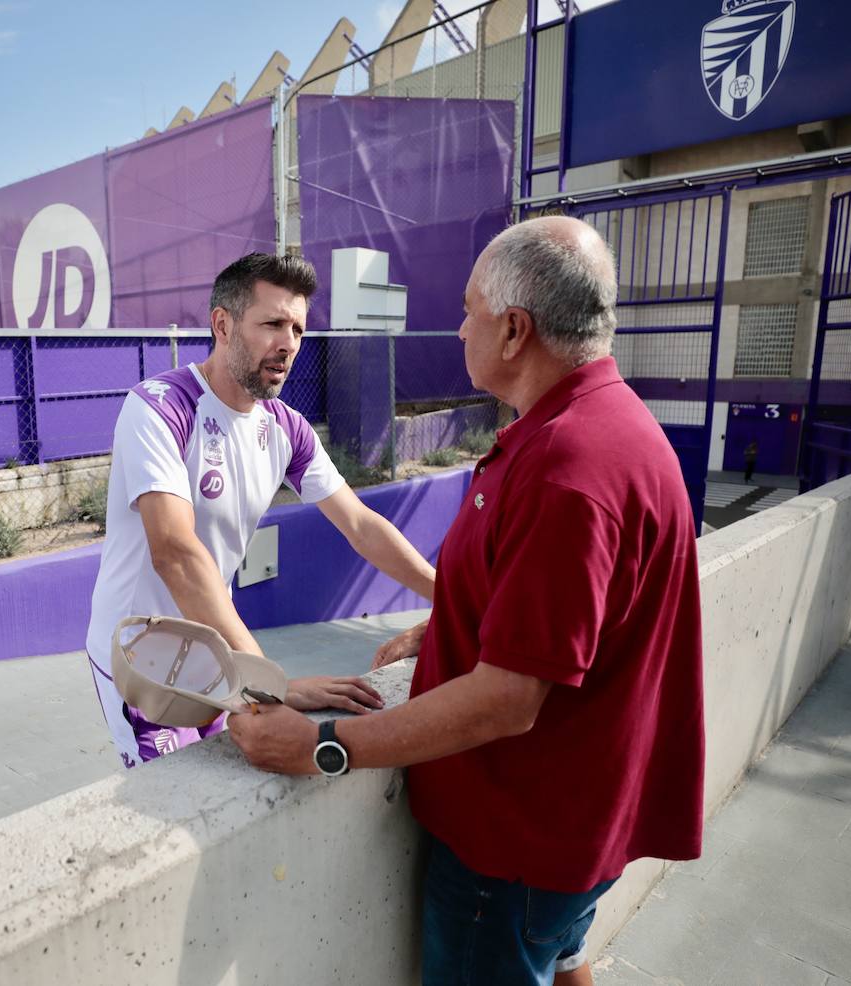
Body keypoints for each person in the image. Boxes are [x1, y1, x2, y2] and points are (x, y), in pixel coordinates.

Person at [229, 217, 705, 986]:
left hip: (514, 855)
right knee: (565, 958)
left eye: (469, 311)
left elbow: (510, 700)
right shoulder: (612, 429)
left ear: (514, 330)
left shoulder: (566, 470)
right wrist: (460, 621)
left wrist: (321, 745)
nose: (457, 329)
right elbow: (572, 617)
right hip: (576, 827)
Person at [86, 253, 436, 769]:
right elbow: (176, 554)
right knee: (177, 807)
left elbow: (361, 525)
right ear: (222, 325)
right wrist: (271, 683)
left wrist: (451, 601)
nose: (289, 343)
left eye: (297, 327)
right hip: (143, 654)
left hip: (215, 648)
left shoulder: (285, 427)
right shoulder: (159, 407)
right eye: (272, 323)